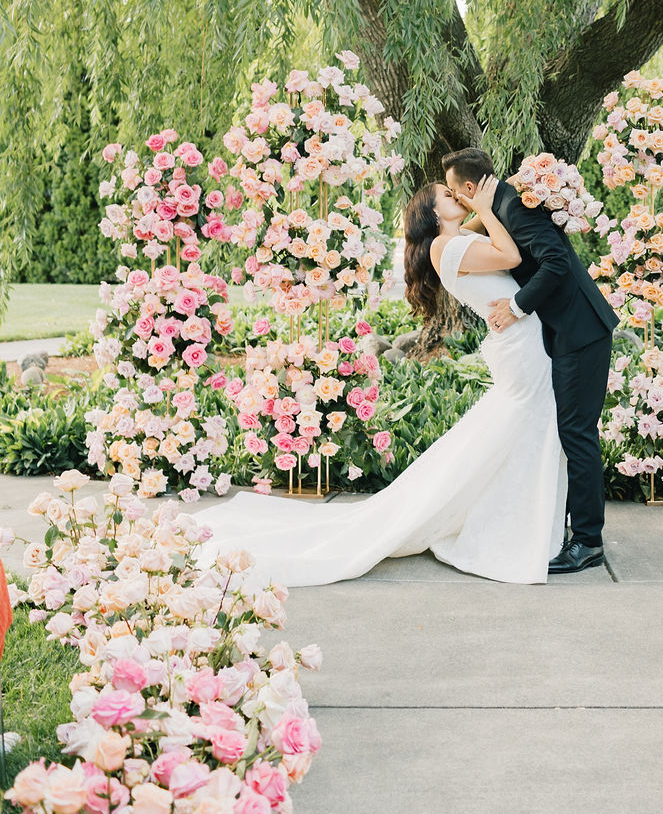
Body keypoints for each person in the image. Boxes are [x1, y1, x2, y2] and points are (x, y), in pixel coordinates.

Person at [193, 175, 568, 585]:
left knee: (517, 428)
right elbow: (511, 256)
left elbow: (485, 229)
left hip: (519, 341)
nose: (458, 195)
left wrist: (495, 198)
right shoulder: (447, 247)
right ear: (431, 214)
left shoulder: (455, 241)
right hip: (519, 345)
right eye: (448, 195)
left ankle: (507, 512)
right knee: (524, 424)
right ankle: (509, 522)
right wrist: (484, 207)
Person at [443, 148, 618, 574]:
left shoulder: (515, 208)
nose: (455, 198)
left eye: (454, 191)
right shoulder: (499, 205)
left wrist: (517, 306)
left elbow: (556, 263)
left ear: (469, 187)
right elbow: (468, 226)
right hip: (567, 333)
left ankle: (589, 542)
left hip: (582, 331)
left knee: (577, 433)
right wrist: (477, 211)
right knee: (568, 431)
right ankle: (566, 527)